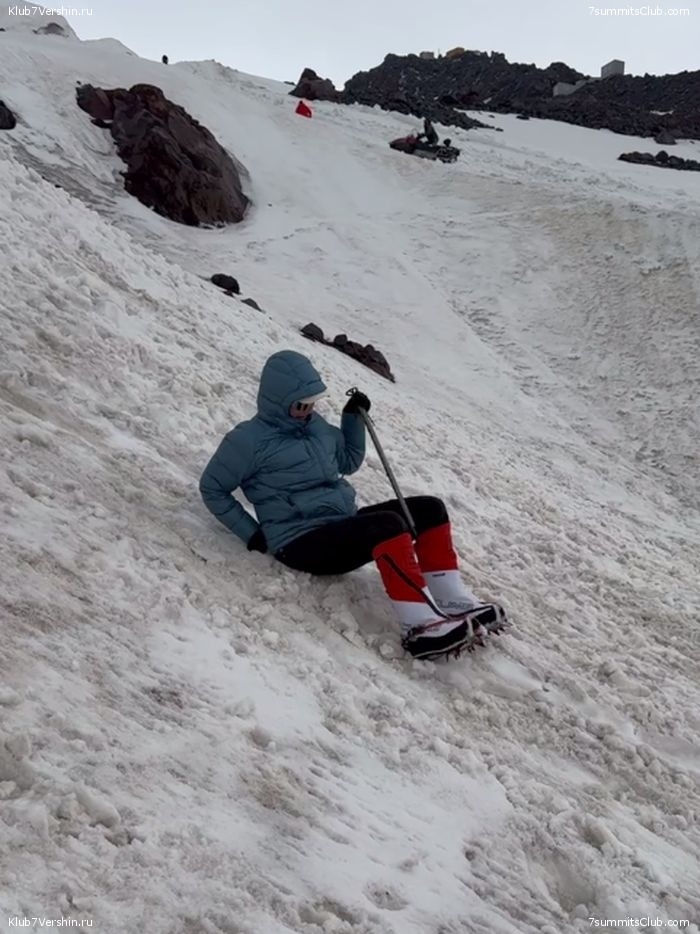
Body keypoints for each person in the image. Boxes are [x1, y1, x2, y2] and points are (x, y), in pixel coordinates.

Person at [199, 350, 506, 659]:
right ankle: (420, 626)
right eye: (300, 405)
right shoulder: (247, 441)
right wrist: (252, 533)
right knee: (388, 526)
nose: (307, 411)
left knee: (430, 509)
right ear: (278, 401)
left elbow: (347, 461)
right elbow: (213, 488)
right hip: (299, 542)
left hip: (338, 526)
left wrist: (352, 419)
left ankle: (451, 599)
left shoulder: (317, 427)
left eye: (311, 403)